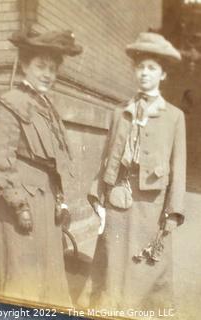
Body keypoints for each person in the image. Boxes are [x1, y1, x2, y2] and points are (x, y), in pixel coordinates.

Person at [78, 32, 186, 314]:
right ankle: (108, 308)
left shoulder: (174, 117)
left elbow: (179, 165)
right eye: (140, 67)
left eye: (152, 68)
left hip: (151, 204)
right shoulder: (119, 111)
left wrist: (173, 211)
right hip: (118, 198)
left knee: (145, 266)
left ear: (163, 74)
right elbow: (106, 158)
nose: (144, 74)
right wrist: (98, 194)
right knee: (113, 260)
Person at [0, 29, 82, 307]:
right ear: (24, 65)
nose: (47, 74)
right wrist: (19, 205)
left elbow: (54, 160)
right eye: (40, 66)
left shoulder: (46, 105)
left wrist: (61, 200)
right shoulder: (10, 103)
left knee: (46, 271)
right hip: (20, 202)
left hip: (45, 198)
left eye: (52, 68)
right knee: (21, 275)